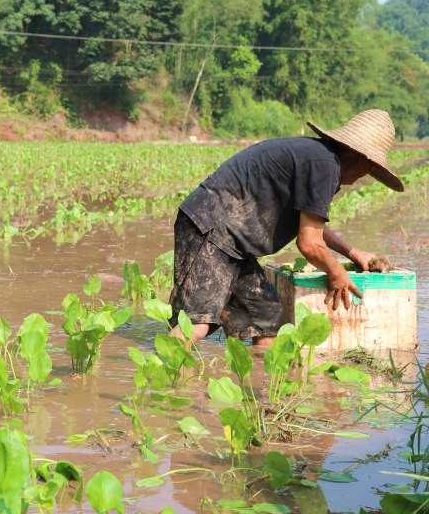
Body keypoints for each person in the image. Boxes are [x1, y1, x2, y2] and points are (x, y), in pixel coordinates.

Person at [168, 109, 403, 348]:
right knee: (197, 322)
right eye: (370, 170)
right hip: (210, 227)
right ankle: (165, 382)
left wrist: (352, 252)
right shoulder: (324, 166)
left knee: (265, 317)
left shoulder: (319, 160)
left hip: (232, 242)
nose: (364, 177)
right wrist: (335, 272)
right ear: (362, 158)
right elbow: (309, 243)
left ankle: (260, 382)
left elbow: (311, 225)